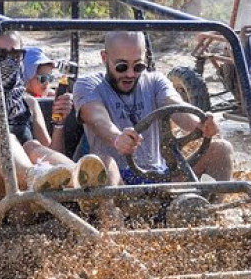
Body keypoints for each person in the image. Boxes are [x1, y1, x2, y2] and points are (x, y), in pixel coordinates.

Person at [0, 0, 108, 220]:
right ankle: (33, 177)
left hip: (18, 198)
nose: (8, 60)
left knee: (33, 146)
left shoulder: (27, 102)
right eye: (0, 54)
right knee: (6, 143)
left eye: (15, 54)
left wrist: (59, 123)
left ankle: (81, 183)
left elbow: (51, 152)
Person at [75, 31, 233, 186]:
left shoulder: (155, 81)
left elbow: (175, 106)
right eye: (122, 66)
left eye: (138, 66)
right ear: (105, 57)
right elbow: (97, 118)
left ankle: (209, 209)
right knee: (103, 162)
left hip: (161, 177)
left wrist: (201, 124)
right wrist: (117, 138)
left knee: (221, 149)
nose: (130, 74)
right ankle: (114, 212)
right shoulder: (88, 85)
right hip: (118, 181)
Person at [21, 47, 73, 156]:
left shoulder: (51, 95)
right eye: (42, 79)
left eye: (50, 78)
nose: (47, 83)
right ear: (26, 77)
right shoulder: (27, 102)